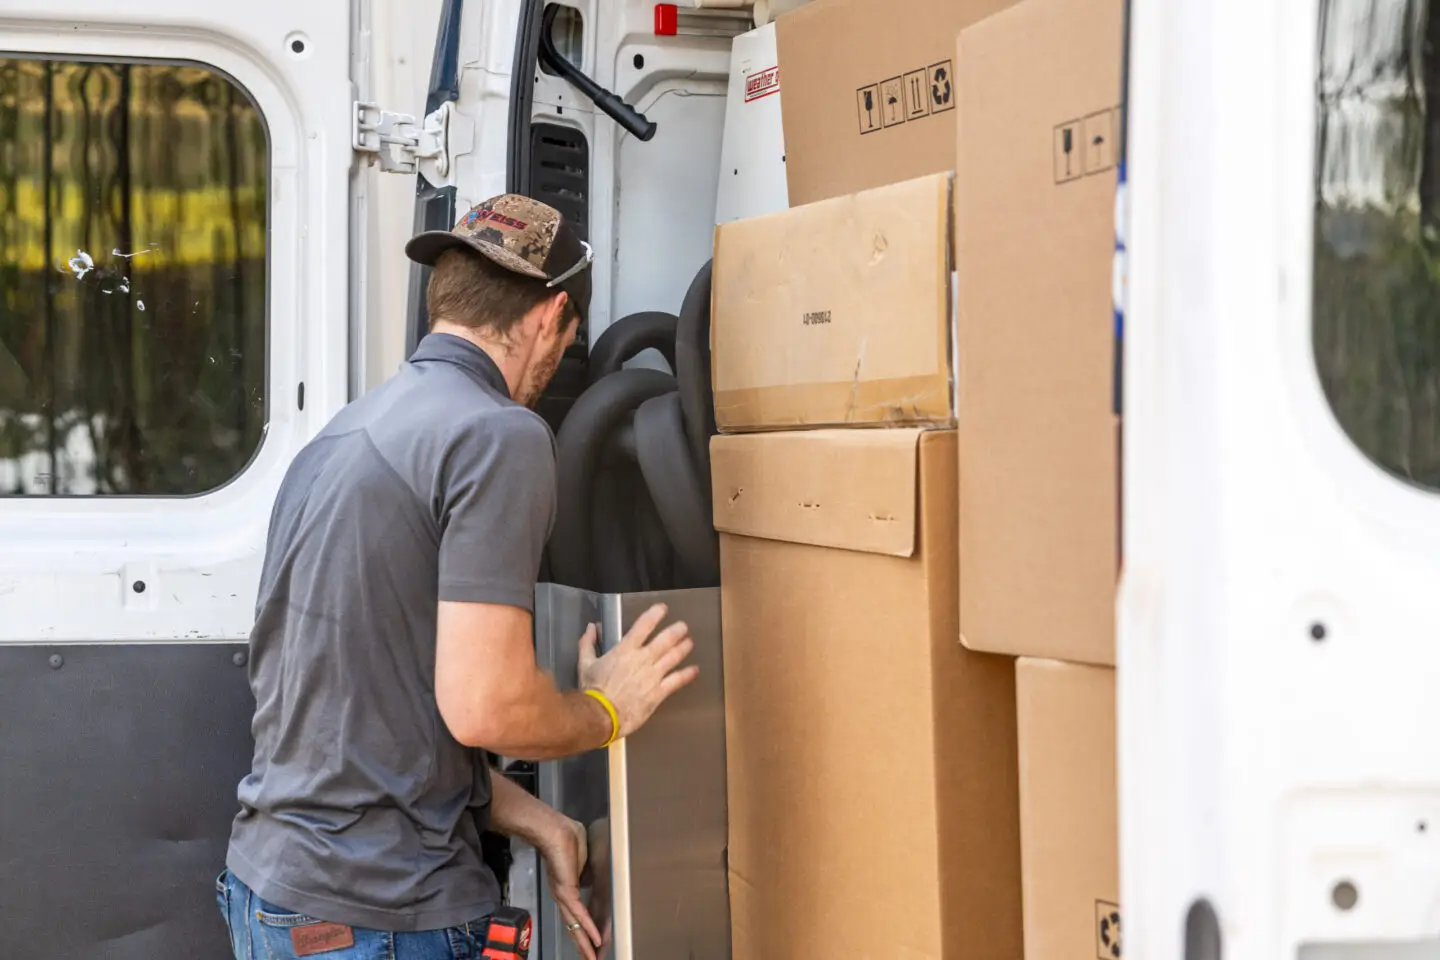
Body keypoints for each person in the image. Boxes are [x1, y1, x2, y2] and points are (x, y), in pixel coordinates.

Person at [215, 195, 698, 960]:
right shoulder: (496, 435)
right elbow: (486, 709)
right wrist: (607, 707)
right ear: (554, 317)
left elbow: (373, 727)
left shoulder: (341, 436)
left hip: (275, 895)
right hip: (380, 916)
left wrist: (543, 821)